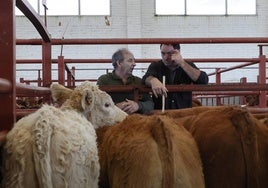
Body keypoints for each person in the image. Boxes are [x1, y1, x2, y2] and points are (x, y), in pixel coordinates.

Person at [142, 43, 209, 109]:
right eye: (163, 53)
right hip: (161, 113)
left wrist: (182, 63)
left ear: (178, 52)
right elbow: (146, 78)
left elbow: (203, 80)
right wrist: (153, 80)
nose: (165, 57)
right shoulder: (156, 66)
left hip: (183, 113)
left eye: (169, 53)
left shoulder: (188, 65)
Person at [97, 48, 154, 114]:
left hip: (135, 121)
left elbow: (150, 104)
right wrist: (114, 107)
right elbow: (97, 104)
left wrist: (138, 105)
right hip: (113, 122)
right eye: (130, 61)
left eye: (134, 61)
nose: (134, 64)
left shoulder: (138, 81)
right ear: (119, 63)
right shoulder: (104, 80)